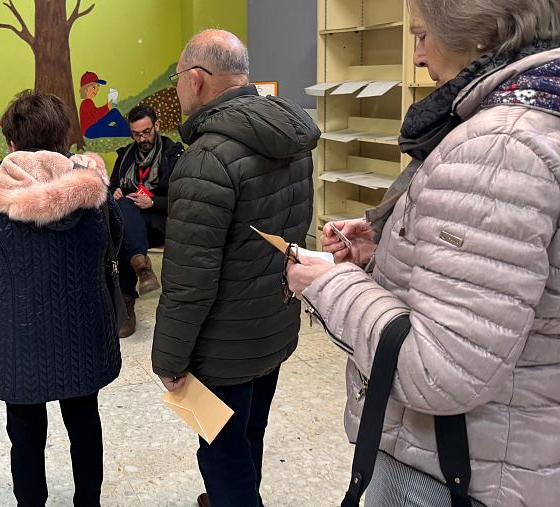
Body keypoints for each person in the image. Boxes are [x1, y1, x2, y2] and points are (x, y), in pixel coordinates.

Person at [286, 1, 560, 505]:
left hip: (456, 466)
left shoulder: (497, 148)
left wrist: (330, 284)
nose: (416, 57)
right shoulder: (539, 119)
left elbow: (439, 370)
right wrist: (390, 246)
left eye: (421, 36)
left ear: (475, 35)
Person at [152, 30, 318, 507]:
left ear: (198, 80)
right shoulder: (291, 136)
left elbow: (189, 281)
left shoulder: (205, 160)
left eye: (178, 77)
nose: (177, 87)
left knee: (221, 449)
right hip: (273, 324)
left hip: (221, 347)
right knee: (249, 431)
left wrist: (168, 358)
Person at [0, 90, 122, 506]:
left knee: (25, 433)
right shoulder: (93, 185)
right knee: (85, 423)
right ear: (63, 137)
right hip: (83, 329)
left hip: (19, 336)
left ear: (11, 141)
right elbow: (114, 242)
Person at [108, 104, 183, 337]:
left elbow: (182, 197)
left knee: (123, 236)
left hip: (159, 222)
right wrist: (115, 193)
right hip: (132, 222)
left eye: (146, 132)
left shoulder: (174, 155)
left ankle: (129, 297)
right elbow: (111, 187)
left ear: (157, 126)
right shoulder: (124, 157)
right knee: (122, 209)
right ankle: (141, 268)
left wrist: (152, 203)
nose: (142, 139)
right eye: (136, 134)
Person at [78, 71, 130, 138]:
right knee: (117, 130)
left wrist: (107, 107)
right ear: (85, 89)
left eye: (98, 87)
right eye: (94, 87)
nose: (96, 90)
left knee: (114, 112)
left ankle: (126, 130)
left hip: (93, 126)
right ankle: (127, 131)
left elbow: (95, 113)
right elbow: (95, 115)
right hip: (90, 130)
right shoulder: (86, 103)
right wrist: (107, 107)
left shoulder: (88, 102)